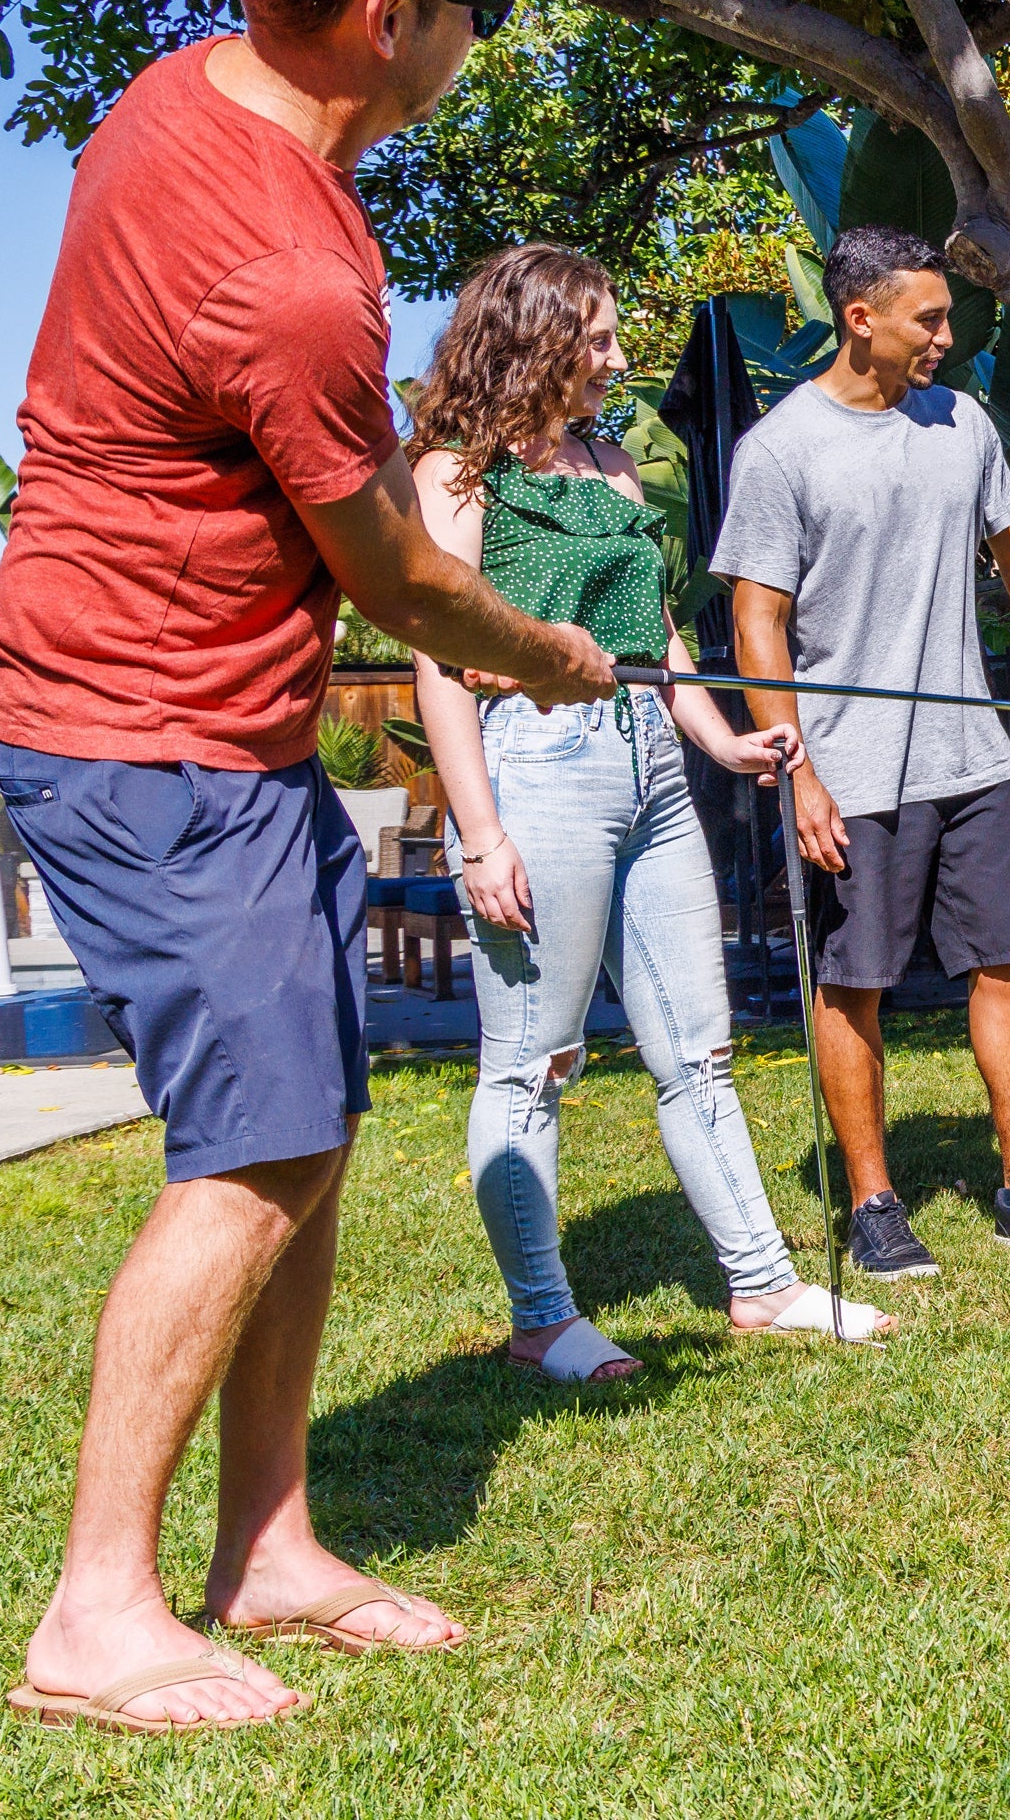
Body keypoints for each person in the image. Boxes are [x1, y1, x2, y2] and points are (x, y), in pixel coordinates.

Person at [0, 0, 620, 1734]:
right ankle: (97, 1612)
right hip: (143, 731)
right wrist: (547, 655)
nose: (485, 35)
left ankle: (267, 1543)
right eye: (479, 7)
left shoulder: (196, 96)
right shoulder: (285, 266)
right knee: (253, 1149)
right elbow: (397, 574)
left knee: (310, 1125)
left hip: (218, 727)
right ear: (380, 11)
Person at [407, 245, 893, 1377]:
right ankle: (543, 1322)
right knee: (535, 1063)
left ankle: (766, 1286)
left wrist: (722, 738)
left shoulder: (612, 463)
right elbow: (436, 662)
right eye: (600, 336)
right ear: (535, 338)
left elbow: (655, 634)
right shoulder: (455, 474)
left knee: (700, 1051)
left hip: (651, 777)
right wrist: (482, 836)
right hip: (534, 767)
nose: (618, 357)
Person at [712, 222, 1010, 1276]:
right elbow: (755, 620)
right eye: (929, 318)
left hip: (975, 755)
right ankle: (872, 1205)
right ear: (861, 320)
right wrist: (794, 765)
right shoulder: (780, 450)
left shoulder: (963, 425)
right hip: (849, 768)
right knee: (856, 982)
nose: (947, 336)